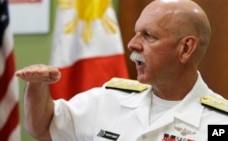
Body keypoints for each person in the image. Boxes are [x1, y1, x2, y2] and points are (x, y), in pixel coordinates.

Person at [16, 0, 228, 140]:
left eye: (148, 35)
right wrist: (37, 86)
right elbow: (43, 126)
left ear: (186, 48)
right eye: (136, 33)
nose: (132, 44)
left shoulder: (219, 123)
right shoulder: (109, 99)